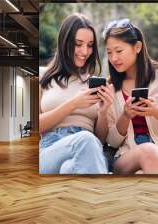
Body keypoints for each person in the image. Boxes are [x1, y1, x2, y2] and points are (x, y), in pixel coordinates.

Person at [103, 18, 158, 174]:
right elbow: (111, 142)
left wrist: (157, 112)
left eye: (119, 51)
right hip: (127, 156)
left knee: (144, 175)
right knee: (148, 151)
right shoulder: (110, 87)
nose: (113, 58)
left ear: (137, 47)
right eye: (109, 53)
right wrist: (125, 115)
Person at [39, 13, 114, 174]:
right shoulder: (42, 76)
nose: (85, 51)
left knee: (69, 169)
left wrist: (104, 111)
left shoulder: (93, 83)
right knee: (86, 140)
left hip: (88, 150)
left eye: (90, 45)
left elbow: (99, 140)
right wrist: (74, 104)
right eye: (78, 44)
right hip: (49, 148)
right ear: (64, 42)